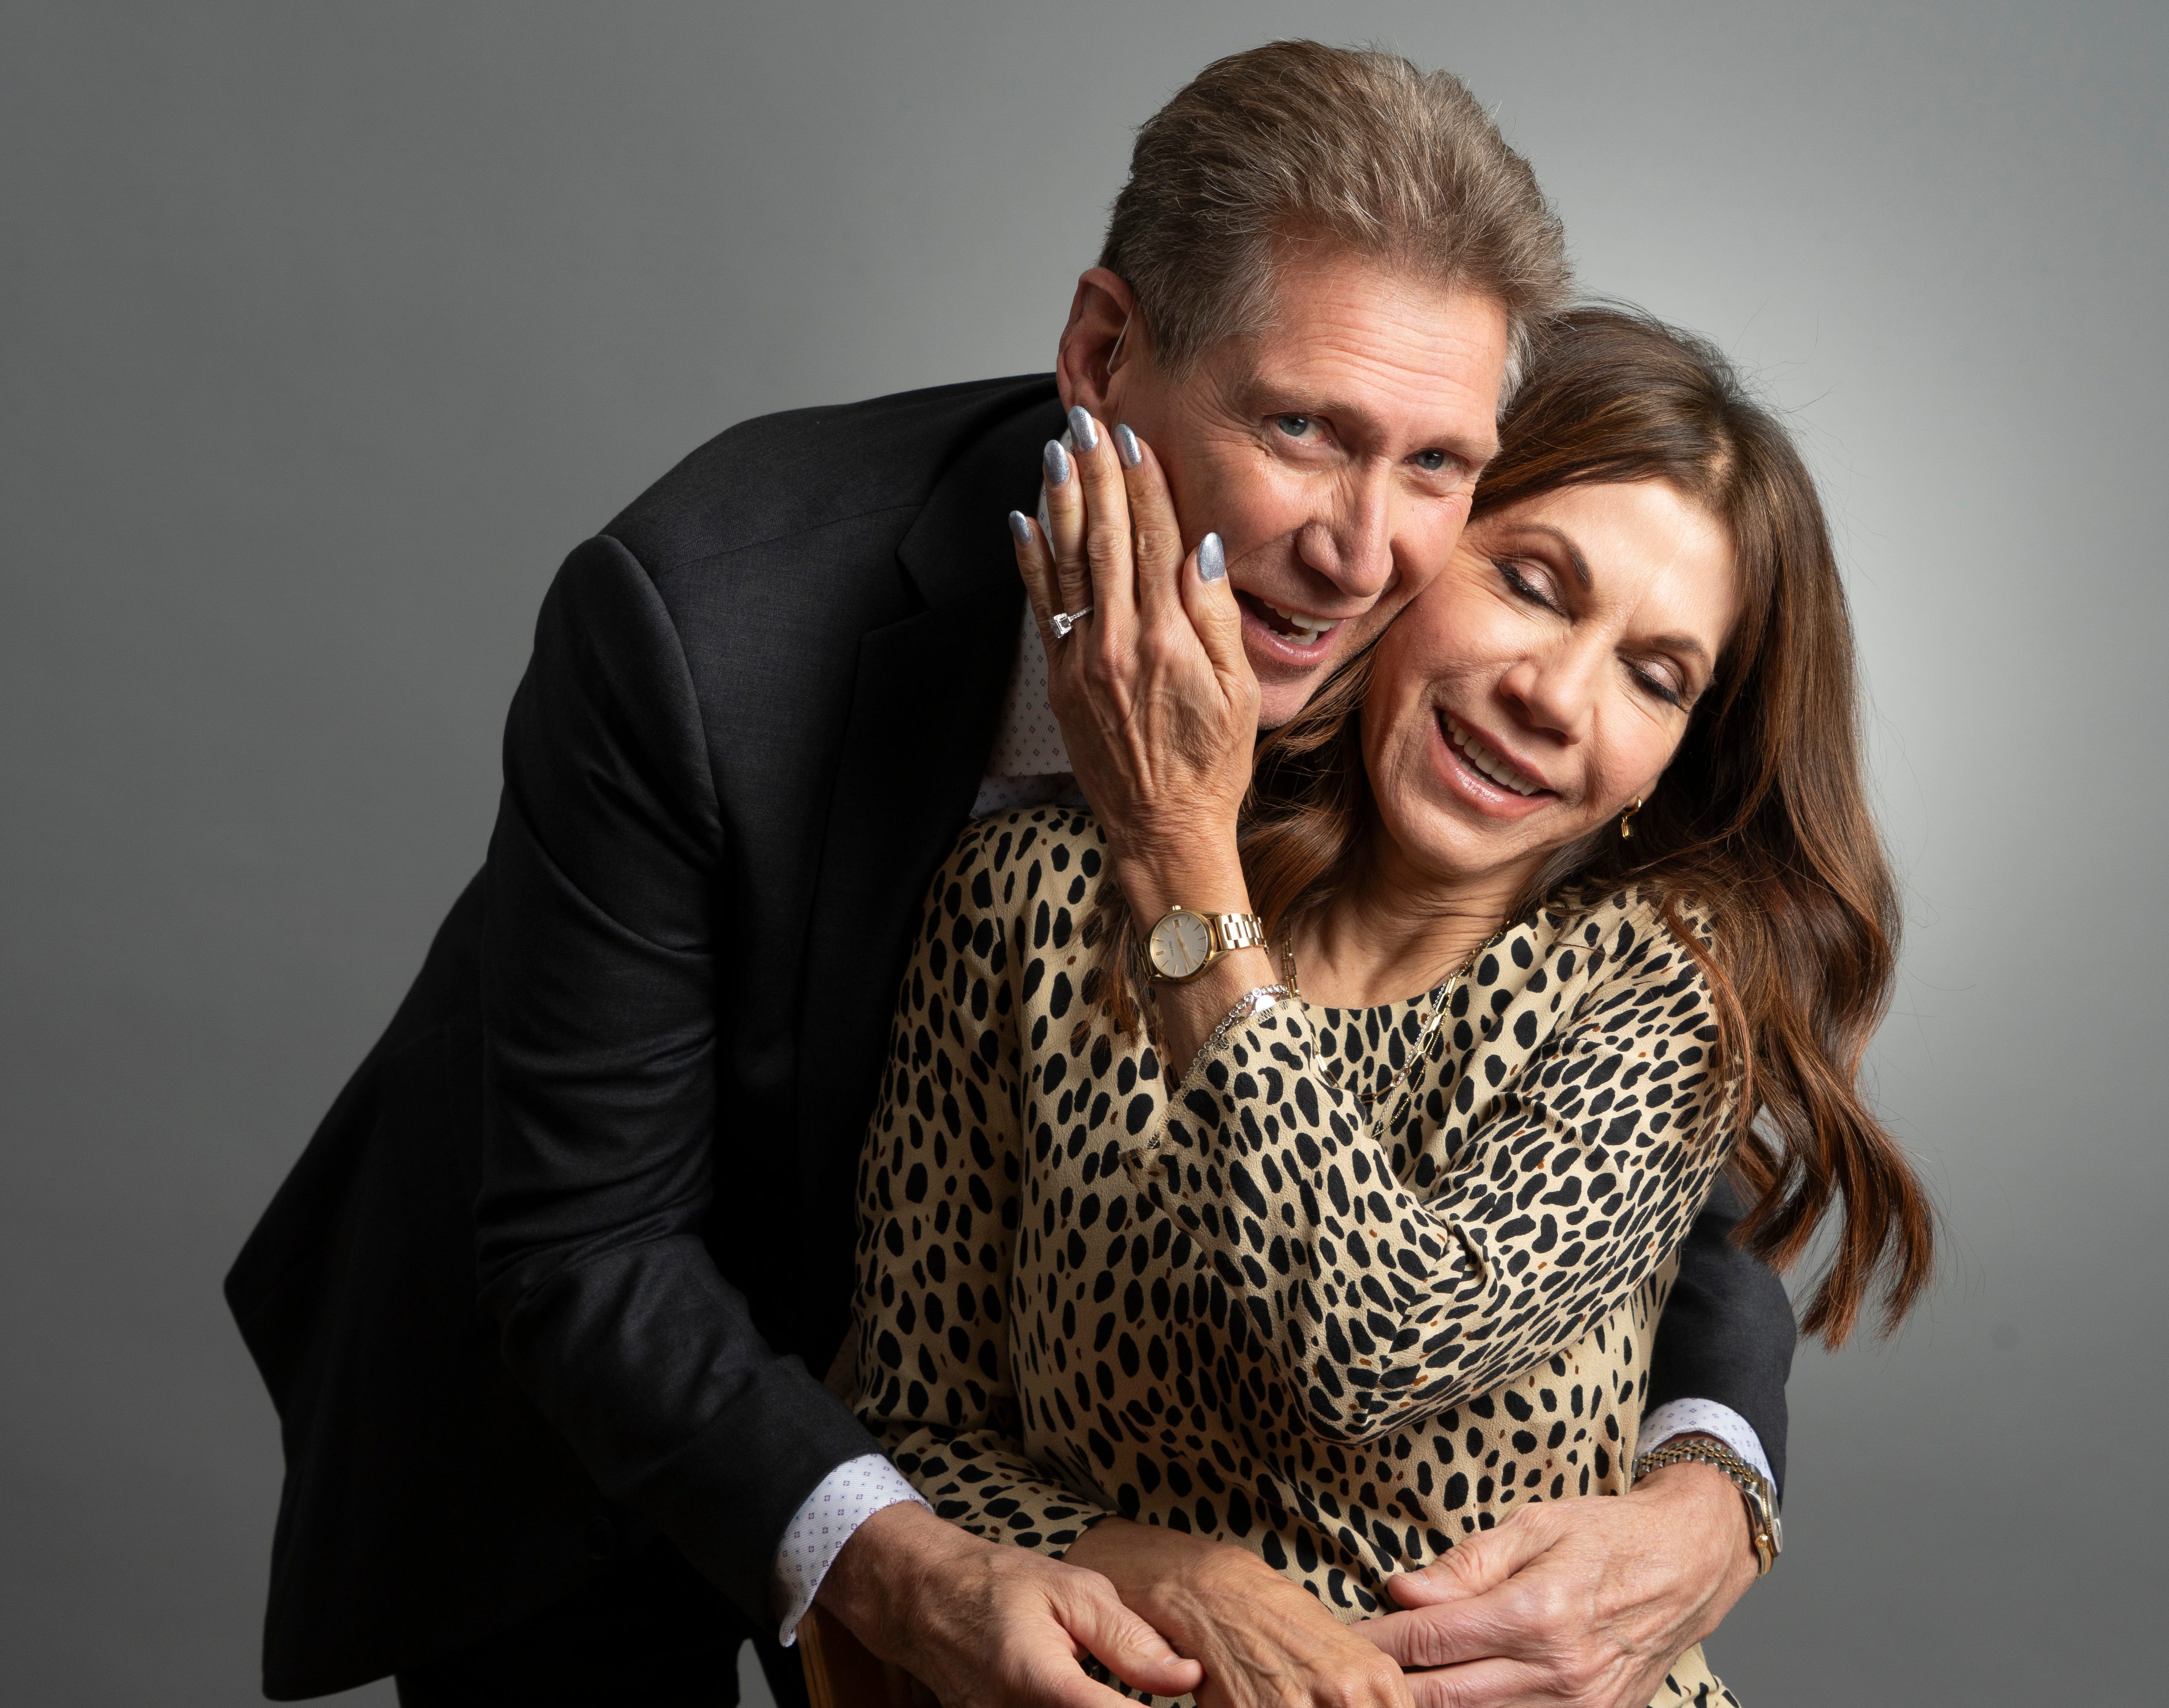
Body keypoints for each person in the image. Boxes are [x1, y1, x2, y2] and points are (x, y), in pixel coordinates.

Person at [225, 43, 1797, 1708]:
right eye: (1299, 428)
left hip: (1022, 1437)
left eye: (1435, 464)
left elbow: (1638, 1152)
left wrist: (1716, 1485)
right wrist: (916, 1556)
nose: (1360, 551)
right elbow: (588, 1240)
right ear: (1105, 355)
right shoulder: (703, 619)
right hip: (595, 1372)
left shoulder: (1423, 650)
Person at [832, 307, 1936, 1708]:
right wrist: (1169, 1576)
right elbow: (912, 1430)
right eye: (1532, 585)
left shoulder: (1665, 986)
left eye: (1654, 677)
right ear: (1410, 553)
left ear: (1675, 757)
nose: (1556, 697)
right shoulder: (1027, 902)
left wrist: (1182, 862)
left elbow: (1376, 1335)